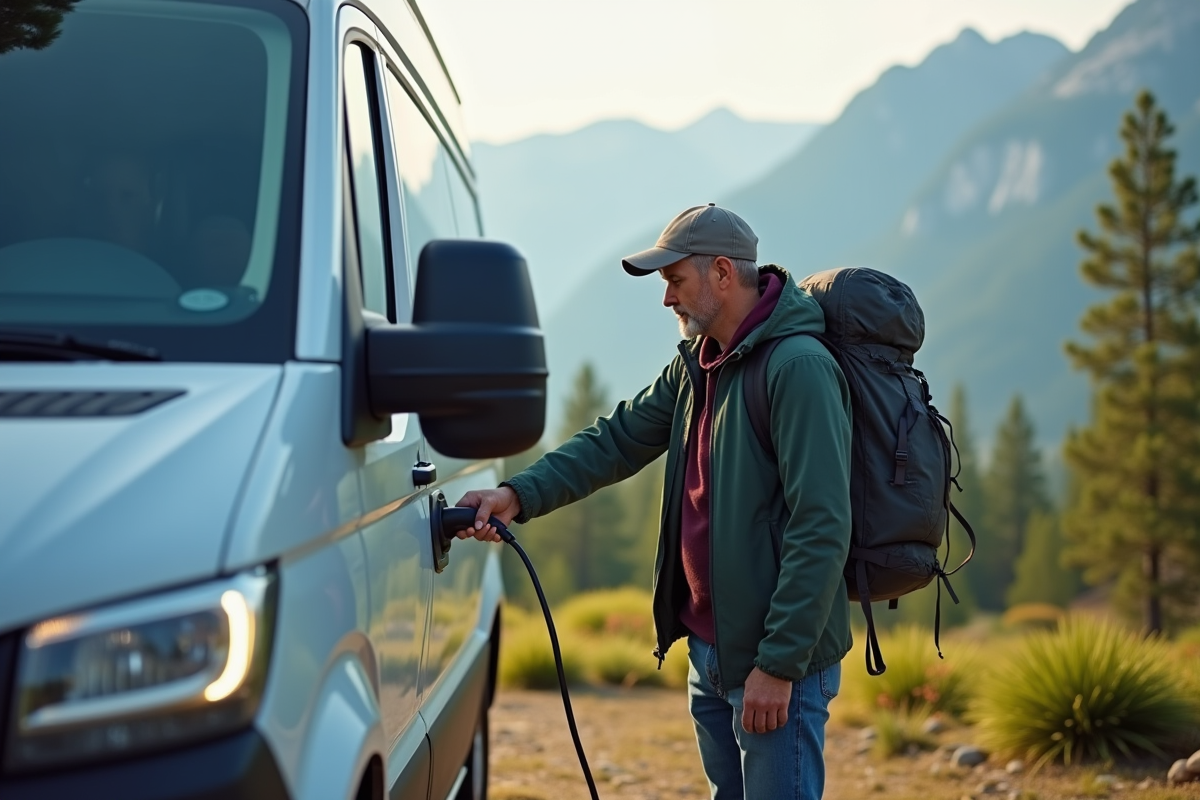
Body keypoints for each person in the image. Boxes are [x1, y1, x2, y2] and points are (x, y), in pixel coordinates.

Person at [456, 204, 853, 800]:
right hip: (712, 652)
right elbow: (615, 440)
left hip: (774, 660)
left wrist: (781, 663)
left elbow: (821, 525)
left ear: (723, 272)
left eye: (675, 280)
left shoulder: (798, 368)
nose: (667, 299)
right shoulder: (698, 363)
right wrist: (517, 494)